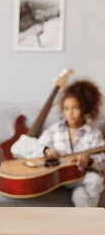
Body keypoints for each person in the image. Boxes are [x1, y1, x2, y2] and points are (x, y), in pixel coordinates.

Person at [12, 79, 105, 207]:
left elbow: (101, 161)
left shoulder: (93, 133)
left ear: (84, 109)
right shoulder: (54, 130)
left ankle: (87, 219)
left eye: (75, 108)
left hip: (81, 178)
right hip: (57, 176)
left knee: (90, 185)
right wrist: (46, 150)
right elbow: (34, 147)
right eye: (66, 109)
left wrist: (89, 160)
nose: (70, 113)